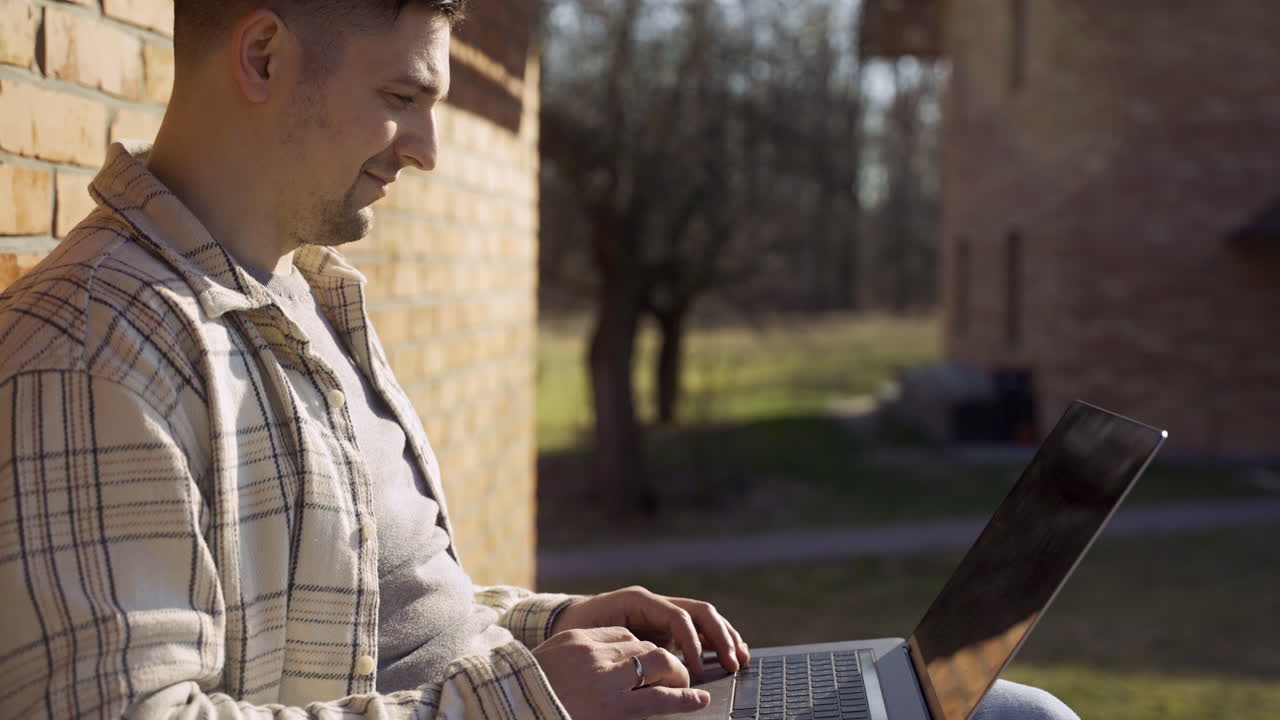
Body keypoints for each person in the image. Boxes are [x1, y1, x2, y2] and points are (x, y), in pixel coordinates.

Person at [0, 1, 1077, 718]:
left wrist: (555, 629)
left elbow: (396, 624)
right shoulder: (97, 354)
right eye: (401, 98)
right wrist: (529, 700)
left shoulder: (302, 297)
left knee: (992, 707)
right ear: (264, 56)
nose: (424, 148)